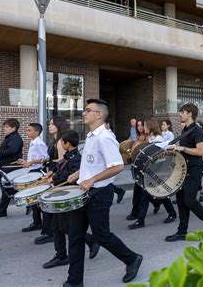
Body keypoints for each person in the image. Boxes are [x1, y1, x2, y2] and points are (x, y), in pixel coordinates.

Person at [63, 99, 142, 286]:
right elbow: (92, 163)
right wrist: (79, 173)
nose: (84, 113)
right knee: (75, 236)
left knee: (101, 235)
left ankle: (132, 259)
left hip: (99, 193)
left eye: (87, 110)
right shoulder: (91, 136)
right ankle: (74, 282)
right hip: (83, 192)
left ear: (99, 114)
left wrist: (92, 179)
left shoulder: (105, 137)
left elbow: (117, 167)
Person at [42, 130, 100, 269]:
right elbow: (59, 166)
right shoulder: (68, 156)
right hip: (59, 193)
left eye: (62, 142)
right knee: (57, 226)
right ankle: (61, 255)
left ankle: (90, 240)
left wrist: (53, 179)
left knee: (65, 226)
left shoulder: (77, 159)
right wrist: (51, 172)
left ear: (67, 144)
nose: (60, 144)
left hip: (67, 196)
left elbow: (68, 177)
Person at [165, 103, 203, 242]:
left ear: (190, 114)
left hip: (194, 169)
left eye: (182, 112)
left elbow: (200, 151)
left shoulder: (197, 131)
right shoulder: (185, 130)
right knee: (181, 201)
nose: (180, 114)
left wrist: (182, 149)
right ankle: (182, 231)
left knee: (189, 200)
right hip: (183, 168)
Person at [128, 118, 177, 229]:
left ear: (150, 126)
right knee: (160, 192)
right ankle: (172, 213)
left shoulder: (158, 139)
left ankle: (141, 220)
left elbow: (159, 155)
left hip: (156, 170)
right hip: (149, 170)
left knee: (147, 195)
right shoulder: (150, 138)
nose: (143, 128)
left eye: (145, 126)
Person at [34, 116, 68, 245]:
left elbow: (62, 163)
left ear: (59, 125)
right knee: (48, 208)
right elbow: (54, 160)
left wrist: (51, 177)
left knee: (49, 207)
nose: (49, 126)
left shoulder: (60, 141)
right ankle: (49, 232)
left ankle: (50, 233)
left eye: (52, 124)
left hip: (57, 178)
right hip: (53, 175)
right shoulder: (55, 140)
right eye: (49, 124)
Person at [0, 119, 23, 219]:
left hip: (11, 168)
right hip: (6, 167)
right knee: (7, 190)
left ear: (14, 128)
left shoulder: (15, 138)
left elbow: (12, 150)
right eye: (5, 126)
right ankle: (2, 211)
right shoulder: (10, 137)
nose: (4, 129)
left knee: (9, 190)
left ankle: (31, 204)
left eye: (7, 127)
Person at [19, 123, 49, 233]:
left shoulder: (39, 143)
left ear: (36, 132)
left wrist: (31, 162)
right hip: (32, 171)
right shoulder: (33, 142)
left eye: (29, 130)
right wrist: (26, 162)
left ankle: (38, 223)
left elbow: (45, 158)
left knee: (35, 198)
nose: (27, 132)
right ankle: (36, 222)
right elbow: (35, 158)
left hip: (38, 173)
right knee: (33, 199)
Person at [105, 116, 126, 204]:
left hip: (110, 162)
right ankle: (119, 191)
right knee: (105, 181)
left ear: (108, 125)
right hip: (107, 162)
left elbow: (116, 147)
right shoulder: (106, 134)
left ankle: (118, 191)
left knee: (105, 181)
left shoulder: (110, 135)